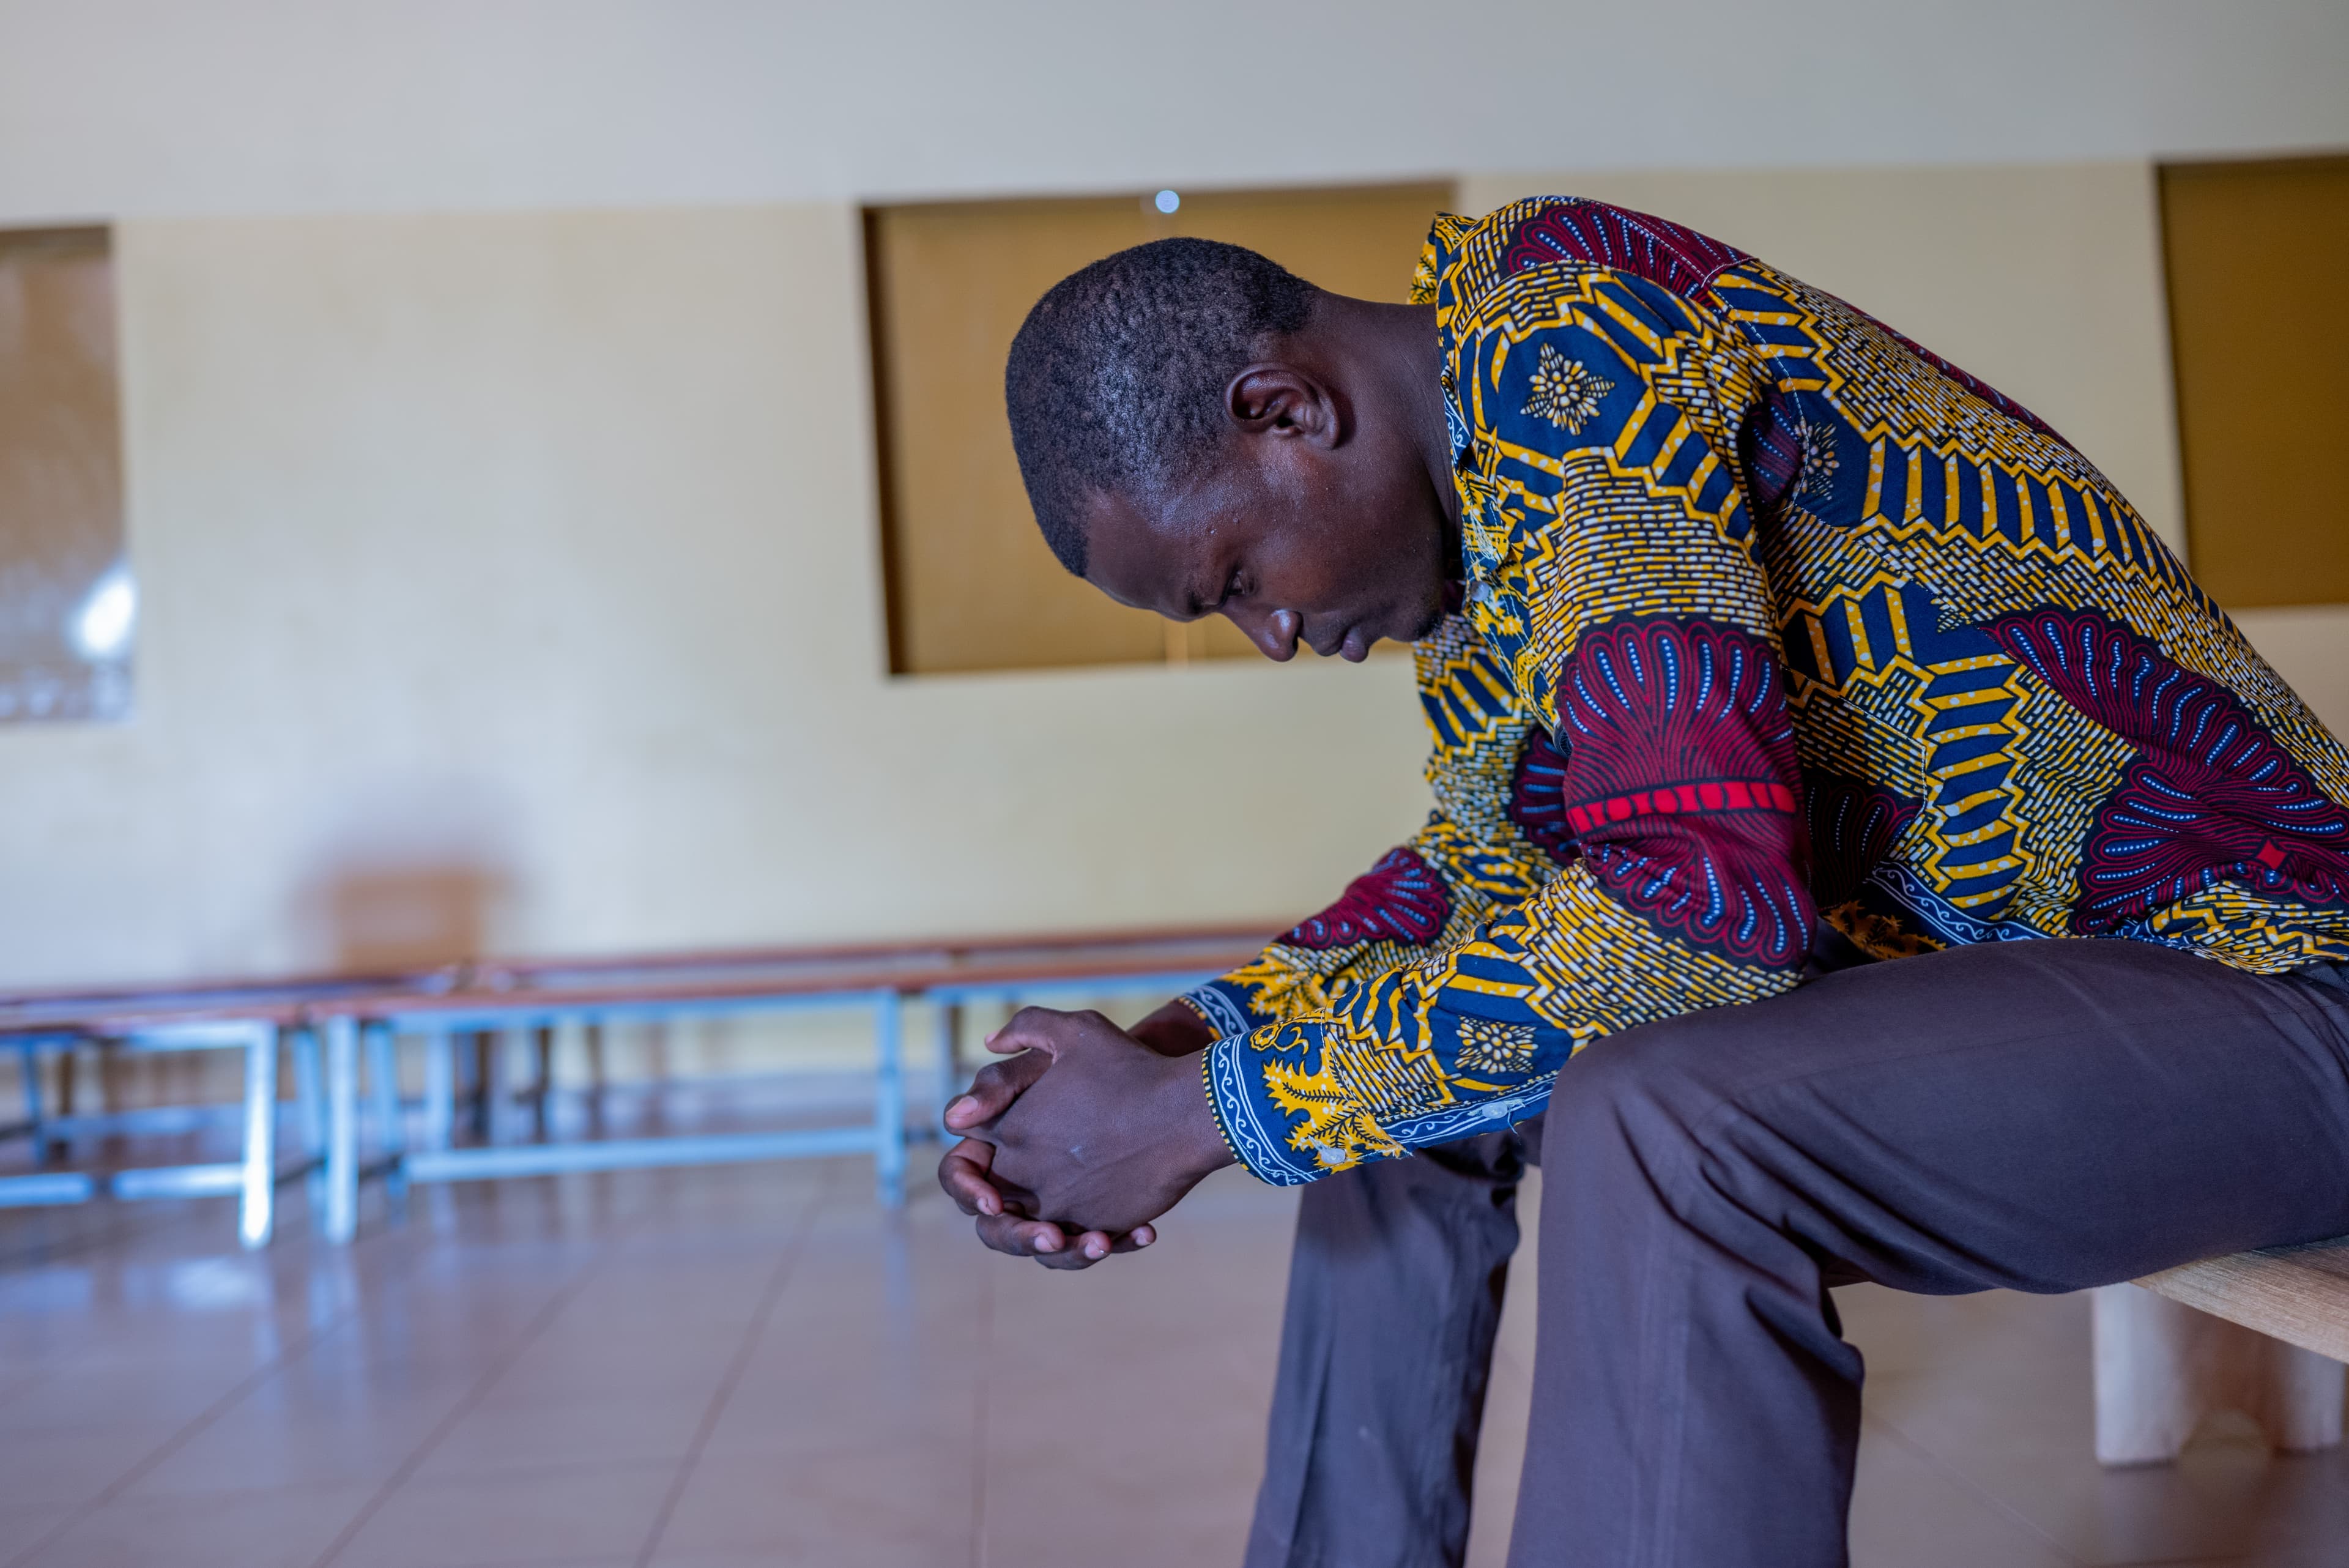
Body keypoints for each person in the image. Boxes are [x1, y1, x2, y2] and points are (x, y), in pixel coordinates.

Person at [936, 197, 2349, 1568]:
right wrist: (1201, 1039)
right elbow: (1505, 873)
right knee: (1409, 1082)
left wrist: (1202, 1116)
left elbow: (1700, 908)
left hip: (2280, 997)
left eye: (1239, 576)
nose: (1275, 635)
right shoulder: (1491, 490)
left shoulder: (1575, 343)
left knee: (1667, 1120)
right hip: (2045, 1009)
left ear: (1285, 410)